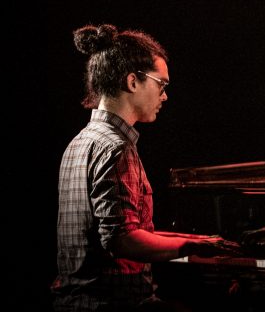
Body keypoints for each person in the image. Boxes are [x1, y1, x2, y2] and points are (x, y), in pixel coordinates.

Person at [51, 23, 242, 311]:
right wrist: (191, 247)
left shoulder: (79, 142)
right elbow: (121, 239)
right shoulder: (115, 146)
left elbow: (128, 229)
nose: (165, 96)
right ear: (132, 82)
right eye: (161, 84)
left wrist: (198, 240)